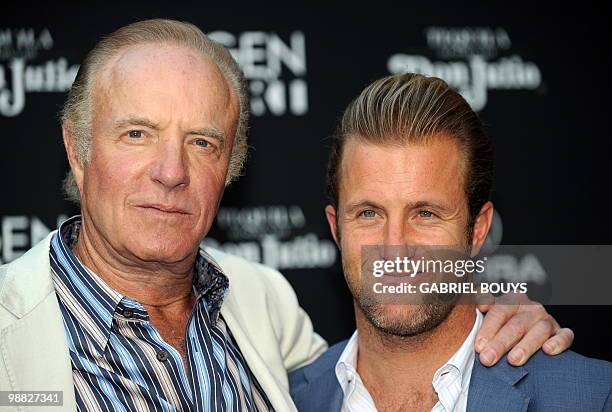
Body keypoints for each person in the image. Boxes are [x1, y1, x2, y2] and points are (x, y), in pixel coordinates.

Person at [0, 20, 574, 411]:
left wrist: (494, 307)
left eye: (202, 142)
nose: (170, 171)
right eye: (137, 134)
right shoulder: (10, 332)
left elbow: (379, 367)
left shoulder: (263, 301)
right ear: (78, 150)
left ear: (229, 166)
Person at [289, 73, 612, 411]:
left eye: (425, 214)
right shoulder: (286, 401)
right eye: (369, 213)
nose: (395, 247)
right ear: (336, 228)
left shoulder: (591, 397)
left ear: (477, 230)